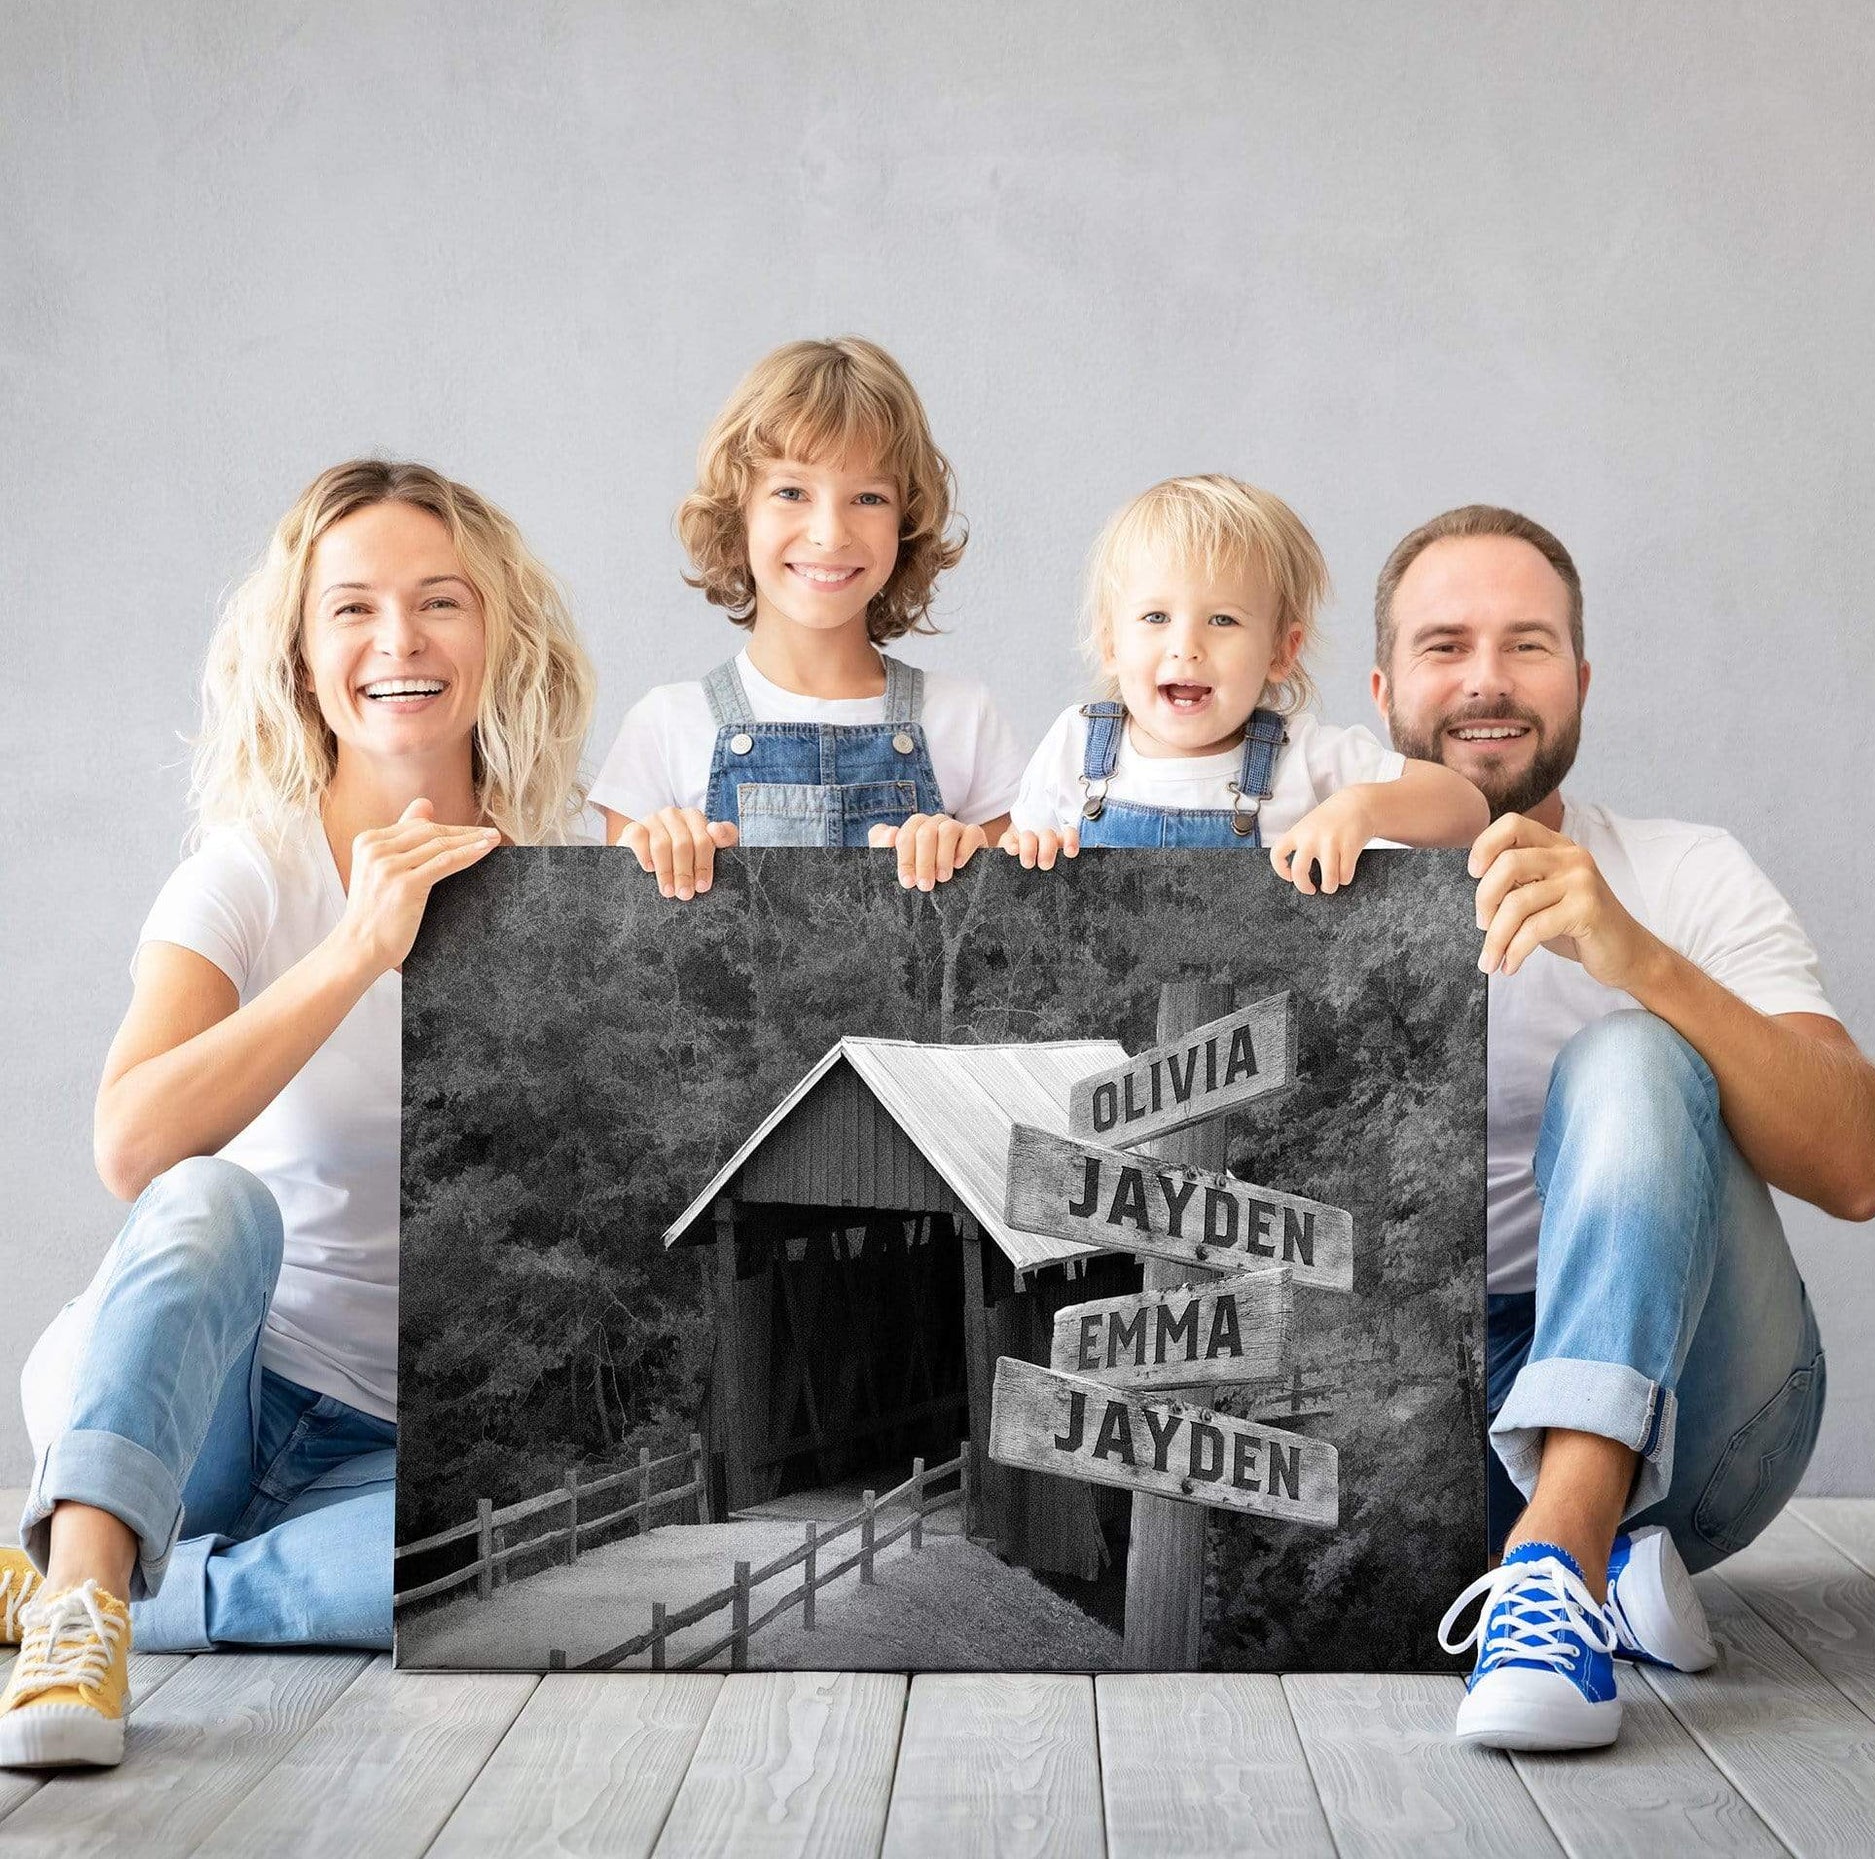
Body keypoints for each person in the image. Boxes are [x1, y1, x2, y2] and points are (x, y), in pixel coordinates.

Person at [0, 460, 595, 1768]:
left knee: (516, 1584)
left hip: (389, 1449)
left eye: (441, 601)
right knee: (216, 1193)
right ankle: (89, 1588)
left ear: (497, 634)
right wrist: (354, 952)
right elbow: (130, 1145)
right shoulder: (251, 869)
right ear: (300, 650)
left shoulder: (564, 880)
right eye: (354, 608)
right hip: (206, 1398)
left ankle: (100, 1576)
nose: (400, 640)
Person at [1369, 505, 1875, 1751]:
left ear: (1581, 679)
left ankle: (1560, 1553)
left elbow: (1861, 1164)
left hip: (1702, 1413)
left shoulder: (1683, 869)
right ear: (1386, 686)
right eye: (1445, 645)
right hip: (1404, 1433)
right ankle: (1611, 1565)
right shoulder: (1313, 869)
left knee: (1629, 1049)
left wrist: (1635, 956)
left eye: (1527, 645)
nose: (1487, 680)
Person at [593, 337, 1024, 894]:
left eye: (868, 498)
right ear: (738, 511)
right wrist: (657, 851)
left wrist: (967, 857)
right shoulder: (664, 727)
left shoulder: (967, 720)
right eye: (792, 491)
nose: (829, 533)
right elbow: (618, 957)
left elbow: (1009, 945)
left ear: (906, 521)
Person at [1004, 474, 1487, 875]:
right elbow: (1005, 874)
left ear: (1281, 651)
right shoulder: (1075, 745)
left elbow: (1466, 810)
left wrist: (1363, 808)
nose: (1186, 648)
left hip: (1265, 992)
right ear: (1111, 642)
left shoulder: (1304, 756)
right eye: (1156, 618)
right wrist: (1027, 852)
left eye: (1223, 620)